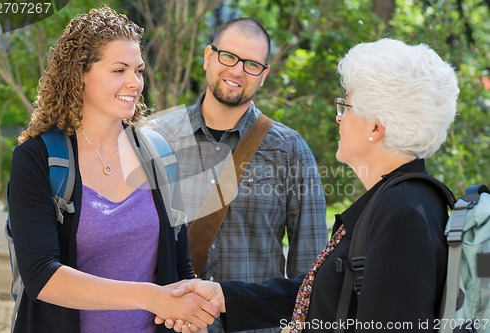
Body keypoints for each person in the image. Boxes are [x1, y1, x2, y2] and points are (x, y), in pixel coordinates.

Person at [160, 38, 459, 332]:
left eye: (346, 106)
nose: (339, 118)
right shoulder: (397, 202)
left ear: (375, 127)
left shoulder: (404, 212)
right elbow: (321, 293)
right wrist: (225, 297)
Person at [7, 6, 218, 333]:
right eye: (119, 70)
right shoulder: (37, 159)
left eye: (138, 70)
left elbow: (178, 264)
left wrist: (187, 311)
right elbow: (42, 276)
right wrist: (150, 297)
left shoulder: (159, 154)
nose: (134, 83)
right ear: (80, 74)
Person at [153, 17, 328, 333]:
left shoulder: (289, 150)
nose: (237, 71)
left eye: (252, 64)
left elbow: (312, 275)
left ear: (264, 76)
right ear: (208, 56)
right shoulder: (158, 139)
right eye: (229, 57)